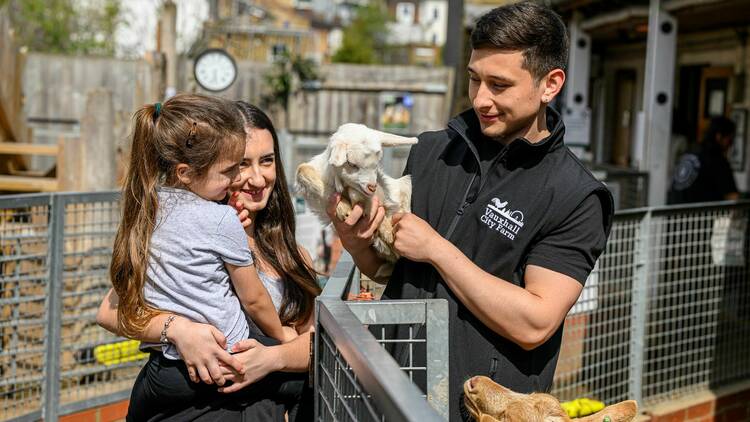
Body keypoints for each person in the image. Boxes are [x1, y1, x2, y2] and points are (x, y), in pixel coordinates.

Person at [326, 2, 614, 420]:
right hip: (393, 390)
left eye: (499, 85)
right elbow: (392, 268)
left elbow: (535, 323)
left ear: (550, 84)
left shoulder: (576, 195)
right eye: (474, 79)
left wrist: (438, 250)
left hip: (481, 407)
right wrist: (357, 243)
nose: (481, 99)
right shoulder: (431, 151)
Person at [97, 99, 320, 421]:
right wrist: (178, 330)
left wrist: (272, 359)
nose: (256, 179)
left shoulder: (294, 256)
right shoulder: (187, 232)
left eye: (267, 161)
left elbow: (313, 345)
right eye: (240, 164)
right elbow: (110, 312)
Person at [668, 116, 739, 204]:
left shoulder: (691, 151)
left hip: (673, 211)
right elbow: (732, 198)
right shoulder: (717, 160)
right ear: (719, 136)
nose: (730, 144)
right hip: (699, 214)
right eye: (730, 139)